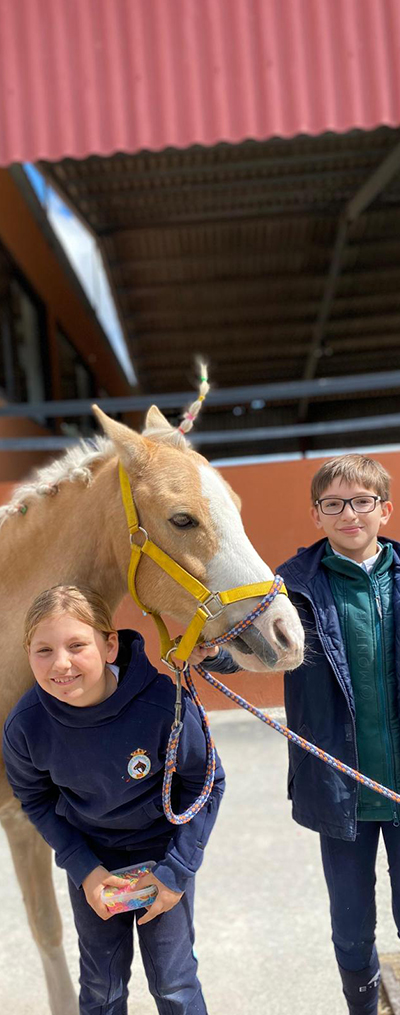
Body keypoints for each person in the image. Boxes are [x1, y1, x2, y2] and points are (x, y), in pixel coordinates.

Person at [192, 452, 400, 1015]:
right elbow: (257, 649)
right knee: (352, 924)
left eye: (361, 502)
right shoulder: (292, 586)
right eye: (333, 505)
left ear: (384, 508)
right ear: (316, 515)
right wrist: (214, 656)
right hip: (339, 788)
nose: (348, 514)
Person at [3, 584, 225, 1015]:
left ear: (108, 645)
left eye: (76, 645)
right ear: (27, 652)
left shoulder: (164, 706)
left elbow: (206, 783)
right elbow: (34, 799)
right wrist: (84, 869)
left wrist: (176, 871)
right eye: (43, 650)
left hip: (161, 856)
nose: (60, 664)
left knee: (174, 983)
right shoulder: (26, 727)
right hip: (92, 859)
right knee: (101, 988)